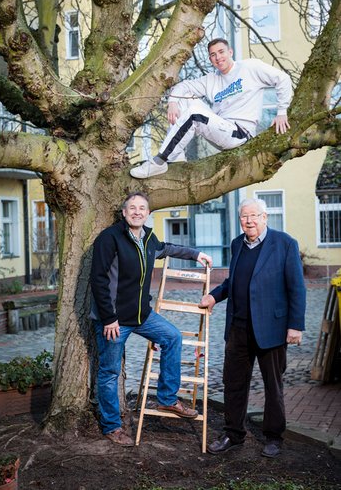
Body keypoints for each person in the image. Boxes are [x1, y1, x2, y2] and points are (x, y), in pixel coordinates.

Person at [90, 191, 213, 447]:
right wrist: (109, 318)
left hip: (141, 316)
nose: (137, 211)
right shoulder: (109, 238)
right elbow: (98, 280)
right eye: (132, 207)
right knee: (109, 372)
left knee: (172, 337)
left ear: (147, 213)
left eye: (142, 208)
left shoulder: (148, 238)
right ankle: (112, 426)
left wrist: (195, 254)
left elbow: (166, 248)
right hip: (113, 321)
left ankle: (167, 399)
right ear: (124, 212)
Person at [199, 198, 306, 458]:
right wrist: (214, 296)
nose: (249, 221)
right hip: (238, 327)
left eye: (254, 216)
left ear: (265, 217)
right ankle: (233, 434)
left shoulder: (284, 243)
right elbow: (232, 281)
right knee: (233, 383)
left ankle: (273, 437)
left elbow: (297, 287)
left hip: (272, 328)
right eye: (244, 217)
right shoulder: (238, 244)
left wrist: (295, 326)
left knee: (273, 385)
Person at [130, 38, 292, 179]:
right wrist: (172, 102)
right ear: (210, 59)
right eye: (213, 55)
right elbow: (184, 86)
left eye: (221, 52)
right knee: (185, 100)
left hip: (240, 134)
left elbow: (283, 79)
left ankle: (159, 161)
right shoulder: (212, 79)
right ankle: (176, 158)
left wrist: (281, 112)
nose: (218, 57)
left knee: (194, 114)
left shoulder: (250, 67)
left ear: (230, 52)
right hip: (221, 128)